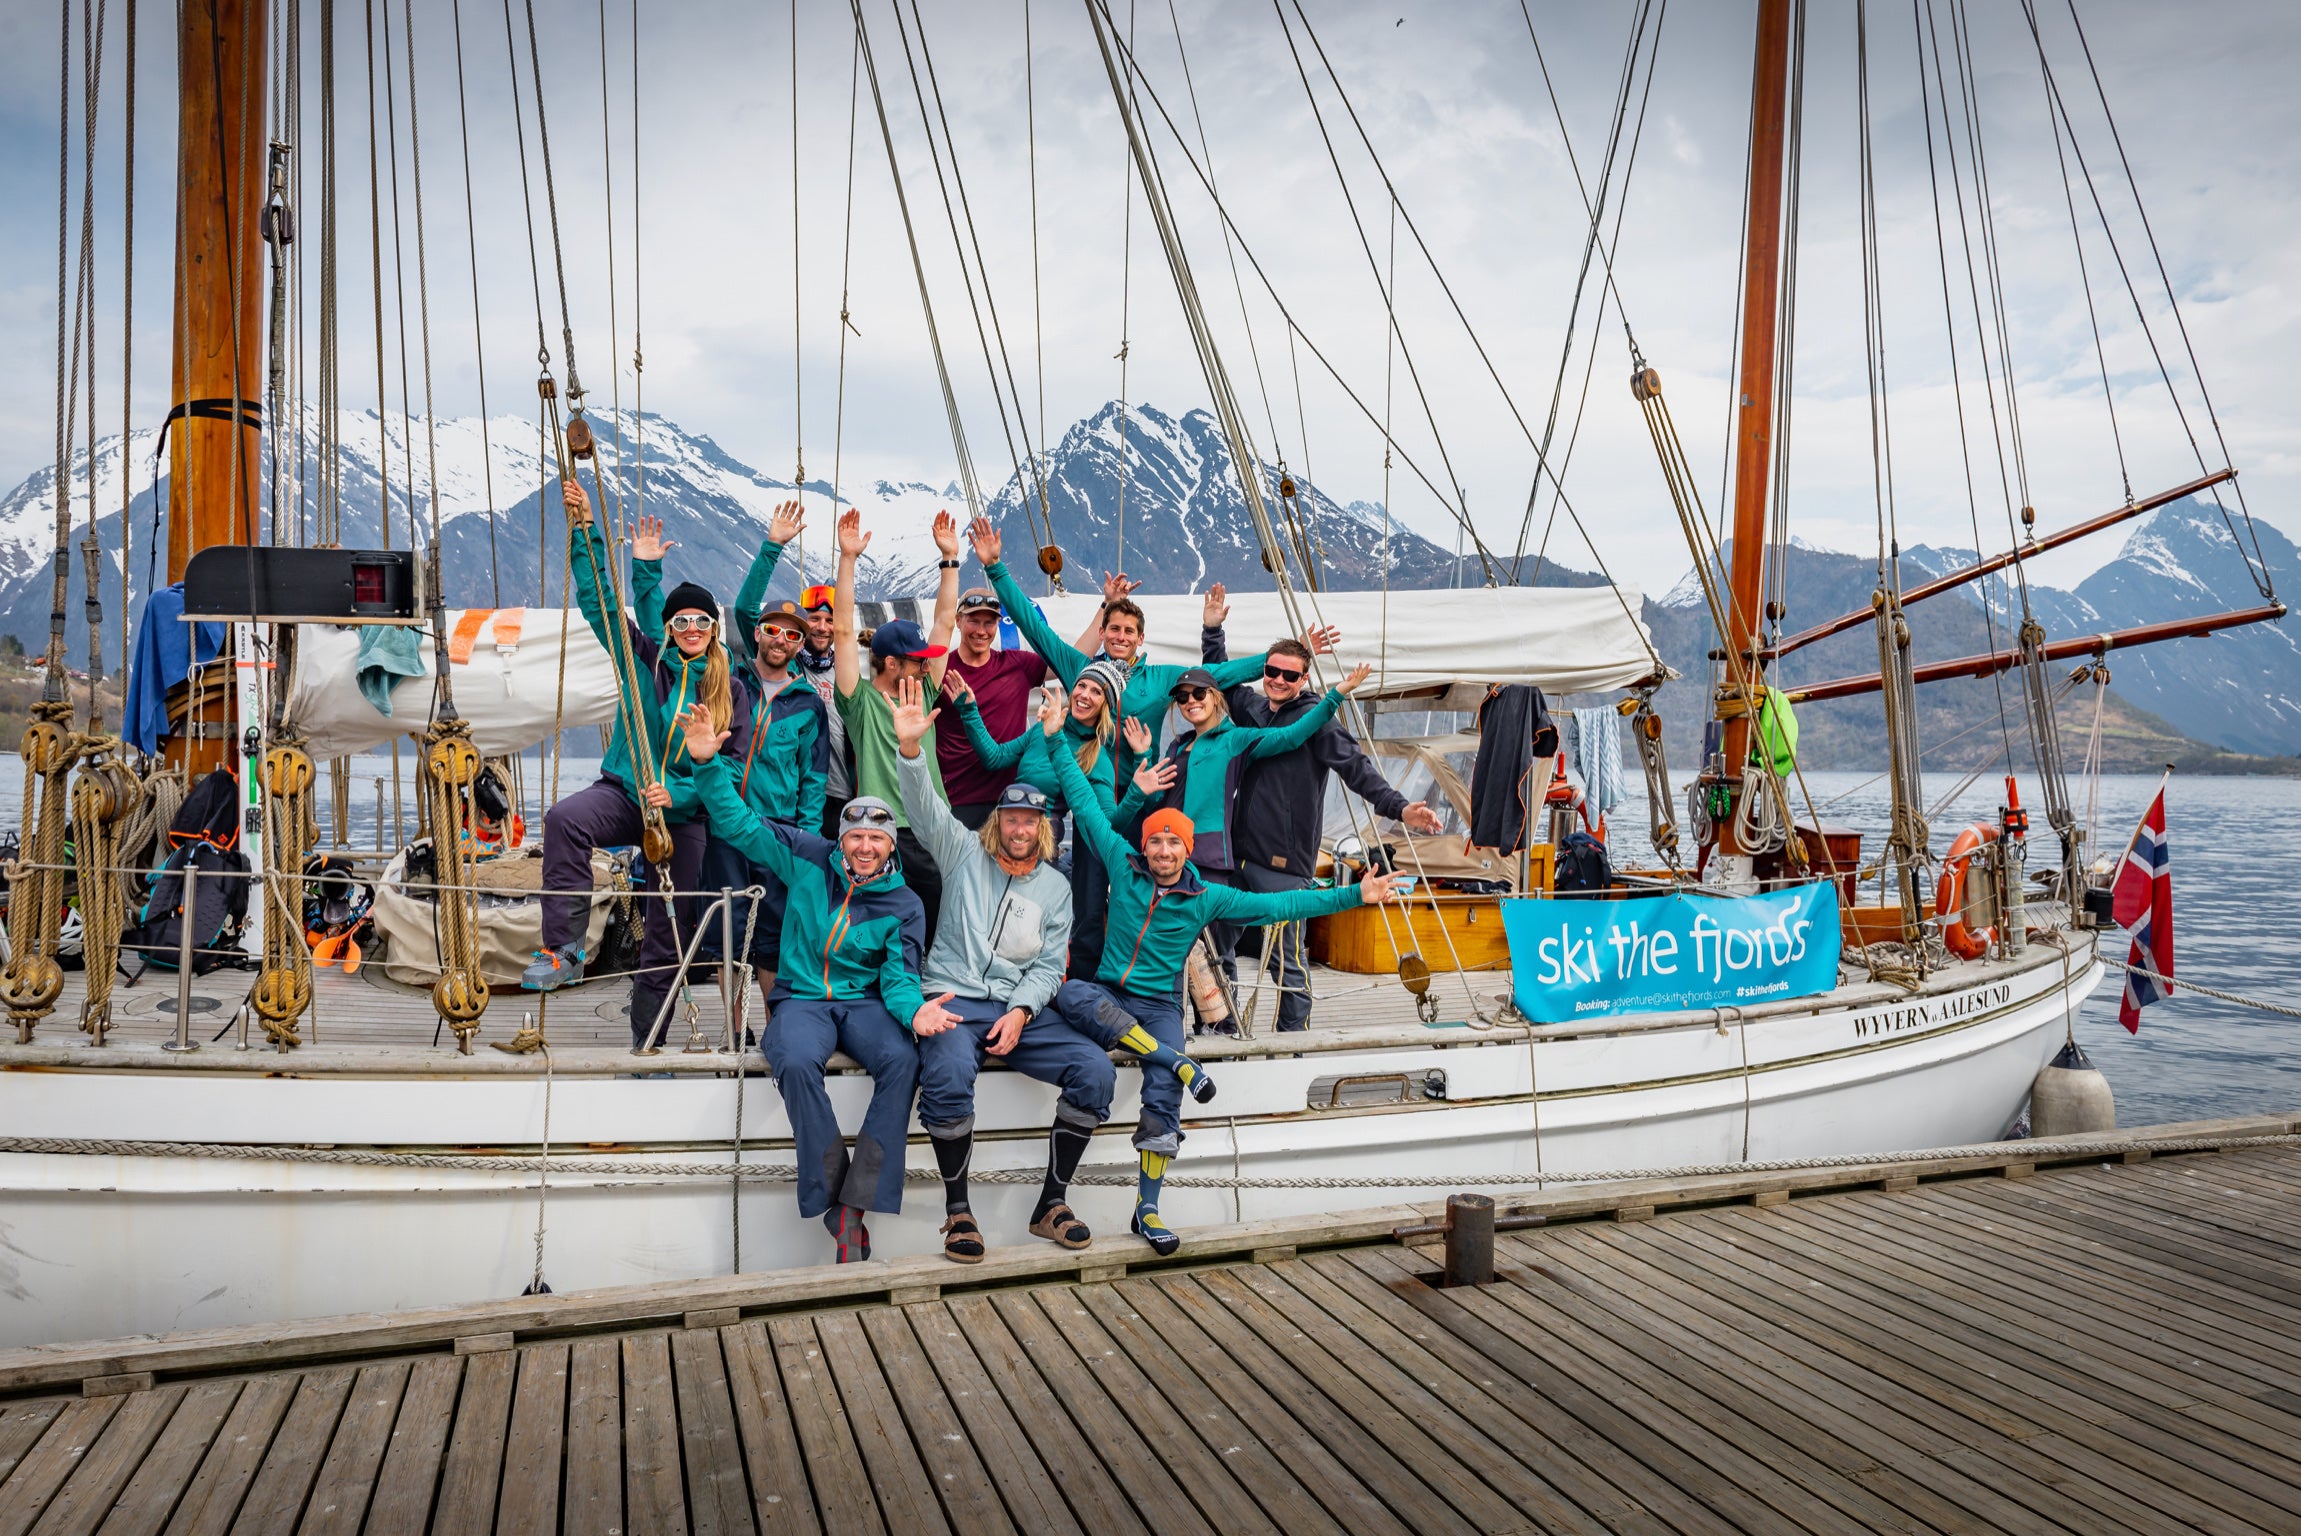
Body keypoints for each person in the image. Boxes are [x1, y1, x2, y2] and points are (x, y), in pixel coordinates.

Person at [1037, 684, 1402, 1256]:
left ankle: (1148, 1207)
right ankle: (1178, 1061)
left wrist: (1354, 895)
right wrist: (1056, 739)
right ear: (1145, 846)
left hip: (1157, 1005)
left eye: (1172, 843)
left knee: (1163, 1096)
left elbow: (1282, 906)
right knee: (1073, 995)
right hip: (1108, 992)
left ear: (1186, 851)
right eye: (1155, 841)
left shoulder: (1205, 897)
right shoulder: (1121, 864)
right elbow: (1083, 801)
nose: (1161, 851)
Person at [678, 701, 958, 1264]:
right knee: (794, 1056)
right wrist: (707, 764)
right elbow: (738, 824)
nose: (864, 847)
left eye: (876, 840)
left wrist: (914, 1013)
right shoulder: (807, 856)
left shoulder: (903, 903)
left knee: (903, 1060)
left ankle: (858, 1203)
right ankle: (834, 1195)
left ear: (890, 848)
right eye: (855, 836)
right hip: (802, 999)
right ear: (842, 838)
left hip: (865, 1004)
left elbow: (900, 979)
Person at [888, 679, 1116, 1262]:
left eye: (1030, 822)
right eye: (1011, 819)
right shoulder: (962, 852)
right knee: (942, 1077)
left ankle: (1052, 1205)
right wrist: (911, 752)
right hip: (954, 1001)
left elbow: (1047, 966)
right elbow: (924, 806)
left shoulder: (1056, 889)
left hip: (1016, 1007)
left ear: (1043, 830)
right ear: (998, 821)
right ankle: (959, 1212)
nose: (1020, 829)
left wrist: (1020, 1010)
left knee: (1094, 1069)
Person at [527, 480, 752, 1053]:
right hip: (626, 792)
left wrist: (677, 796)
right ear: (671, 630)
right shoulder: (642, 663)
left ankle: (647, 1043)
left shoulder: (733, 692)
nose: (692, 630)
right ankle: (565, 949)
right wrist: (585, 531)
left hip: (684, 816)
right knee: (564, 821)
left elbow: (729, 769)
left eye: (701, 621)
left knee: (667, 936)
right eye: (681, 623)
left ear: (714, 628)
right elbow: (601, 598)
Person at [969, 518, 1333, 780]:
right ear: (1102, 631)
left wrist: (1288, 656)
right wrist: (995, 567)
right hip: (1089, 801)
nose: (1120, 637)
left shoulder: (1161, 679)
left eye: (1129, 631)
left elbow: (1221, 675)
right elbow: (1034, 629)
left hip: (1139, 795)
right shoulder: (1080, 669)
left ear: (1140, 639)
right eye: (1114, 629)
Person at [1211, 630, 1445, 1031]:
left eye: (1290, 675)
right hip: (1235, 855)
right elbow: (1218, 679)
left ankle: (1290, 1047)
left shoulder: (1317, 720)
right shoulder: (1253, 710)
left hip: (1283, 864)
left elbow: (1357, 769)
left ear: (1305, 679)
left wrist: (1400, 808)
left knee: (1287, 963)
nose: (1279, 681)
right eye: (1271, 671)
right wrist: (1212, 631)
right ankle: (1222, 1027)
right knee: (1217, 948)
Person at [944, 657, 1132, 979]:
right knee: (980, 905)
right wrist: (968, 709)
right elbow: (995, 757)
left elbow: (1107, 823)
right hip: (1000, 827)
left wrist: (1139, 791)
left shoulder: (1095, 756)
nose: (1084, 694)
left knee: (1019, 923)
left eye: (1096, 692)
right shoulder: (1042, 729)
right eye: (1081, 685)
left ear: (1106, 705)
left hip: (1039, 844)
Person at [833, 506, 960, 936]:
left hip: (932, 827)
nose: (927, 667)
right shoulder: (860, 702)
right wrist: (847, 559)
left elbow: (944, 621)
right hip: (880, 831)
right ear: (890, 663)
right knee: (882, 927)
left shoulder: (924, 690)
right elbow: (844, 633)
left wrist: (949, 560)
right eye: (916, 661)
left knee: (940, 923)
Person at [930, 585, 1051, 829]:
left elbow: (1069, 663)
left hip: (1009, 799)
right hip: (956, 802)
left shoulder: (1017, 665)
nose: (982, 631)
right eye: (974, 621)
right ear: (958, 620)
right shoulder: (940, 670)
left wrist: (1105, 609)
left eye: (989, 623)